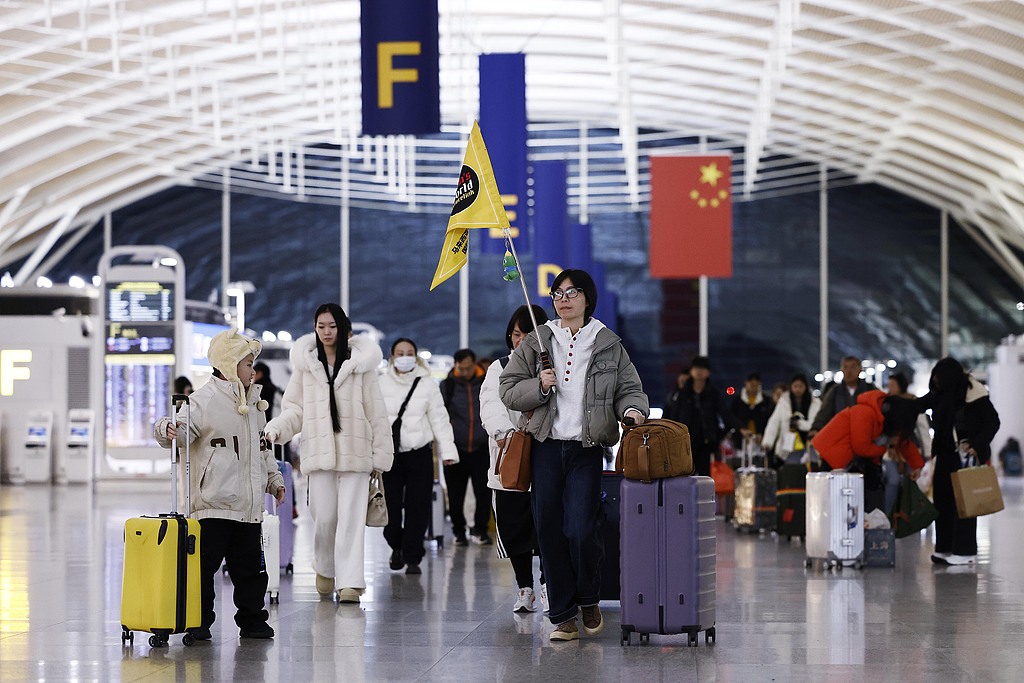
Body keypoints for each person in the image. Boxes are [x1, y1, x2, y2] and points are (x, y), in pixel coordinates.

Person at [500, 268, 649, 642]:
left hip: (586, 449)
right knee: (548, 531)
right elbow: (509, 388)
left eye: (572, 292)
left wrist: (632, 411)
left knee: (581, 528)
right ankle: (563, 613)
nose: (563, 298)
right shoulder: (538, 339)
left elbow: (629, 388)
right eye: (557, 293)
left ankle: (588, 596)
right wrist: (539, 385)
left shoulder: (607, 342)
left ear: (588, 298)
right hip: (546, 447)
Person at [155, 330, 285, 641]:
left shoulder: (255, 403)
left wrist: (273, 479)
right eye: (247, 364)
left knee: (251, 570)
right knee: (202, 570)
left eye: (253, 364)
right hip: (212, 504)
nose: (252, 371)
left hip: (248, 506)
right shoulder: (203, 400)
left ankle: (253, 620)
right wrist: (166, 429)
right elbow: (179, 431)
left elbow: (261, 449)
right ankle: (199, 621)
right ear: (228, 365)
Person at [264, 303, 393, 603]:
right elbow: (294, 409)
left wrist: (381, 455)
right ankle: (325, 566)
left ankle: (349, 582)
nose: (325, 332)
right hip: (318, 453)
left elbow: (376, 412)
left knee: (350, 518)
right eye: (320, 326)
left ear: (343, 328)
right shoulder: (306, 366)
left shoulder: (362, 365)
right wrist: (277, 427)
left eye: (331, 326)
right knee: (323, 518)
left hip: (356, 454)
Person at [480, 304, 549, 615]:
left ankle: (550, 584)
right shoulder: (500, 367)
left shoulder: (551, 369)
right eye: (517, 335)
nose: (522, 341)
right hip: (511, 458)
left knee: (548, 526)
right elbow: (490, 404)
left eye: (530, 334)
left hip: (547, 456)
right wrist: (504, 433)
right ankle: (525, 587)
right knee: (515, 527)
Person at [378, 337, 458, 575]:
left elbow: (440, 420)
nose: (405, 357)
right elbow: (371, 421)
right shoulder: (380, 384)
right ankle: (396, 545)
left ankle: (412, 556)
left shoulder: (427, 385)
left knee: (418, 506)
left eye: (409, 352)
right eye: (400, 353)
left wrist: (448, 451)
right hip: (389, 455)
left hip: (419, 454)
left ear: (416, 356)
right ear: (392, 357)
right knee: (389, 508)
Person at [917, 357, 1000, 566]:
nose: (935, 382)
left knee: (964, 502)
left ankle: (965, 552)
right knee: (943, 500)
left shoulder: (974, 393)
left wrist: (977, 444)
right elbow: (919, 404)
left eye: (938, 378)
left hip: (966, 455)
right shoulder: (943, 394)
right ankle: (945, 547)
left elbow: (992, 421)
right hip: (946, 454)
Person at [811, 389, 925, 514]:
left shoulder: (886, 418)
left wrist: (916, 465)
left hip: (849, 460)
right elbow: (861, 446)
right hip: (832, 456)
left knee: (856, 501)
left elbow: (902, 440)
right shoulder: (864, 412)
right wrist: (884, 448)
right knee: (833, 503)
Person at [664, 356, 749, 476]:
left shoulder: (713, 393)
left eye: (702, 368)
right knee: (685, 475)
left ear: (708, 372)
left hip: (706, 443)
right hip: (685, 442)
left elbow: (725, 413)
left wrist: (740, 427)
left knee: (705, 478)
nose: (699, 372)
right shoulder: (682, 393)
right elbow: (674, 416)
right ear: (691, 371)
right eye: (696, 368)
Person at [441, 348, 492, 546]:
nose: (464, 372)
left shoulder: (486, 382)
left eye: (468, 368)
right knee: (455, 495)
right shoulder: (448, 386)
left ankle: (480, 530)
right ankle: (458, 531)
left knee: (483, 492)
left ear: (475, 364)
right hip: (456, 448)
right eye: (461, 368)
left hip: (482, 448)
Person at [763, 373, 821, 465]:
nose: (798, 389)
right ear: (791, 387)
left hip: (809, 446)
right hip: (789, 447)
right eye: (795, 386)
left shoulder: (815, 403)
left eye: (801, 386)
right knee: (791, 472)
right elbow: (774, 422)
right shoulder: (783, 402)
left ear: (806, 387)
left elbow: (816, 423)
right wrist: (767, 442)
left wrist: (799, 424)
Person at [809, 356, 872, 438]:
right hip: (841, 436)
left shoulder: (870, 389)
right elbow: (824, 412)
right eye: (845, 367)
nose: (849, 371)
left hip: (865, 435)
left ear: (860, 369)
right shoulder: (835, 391)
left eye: (853, 367)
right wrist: (815, 428)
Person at [730, 372, 772, 447]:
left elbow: (770, 419)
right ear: (746, 383)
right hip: (741, 440)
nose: (753, 386)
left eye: (756, 384)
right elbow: (732, 418)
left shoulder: (766, 401)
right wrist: (741, 429)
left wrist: (763, 434)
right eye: (751, 384)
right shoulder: (737, 401)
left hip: (761, 440)